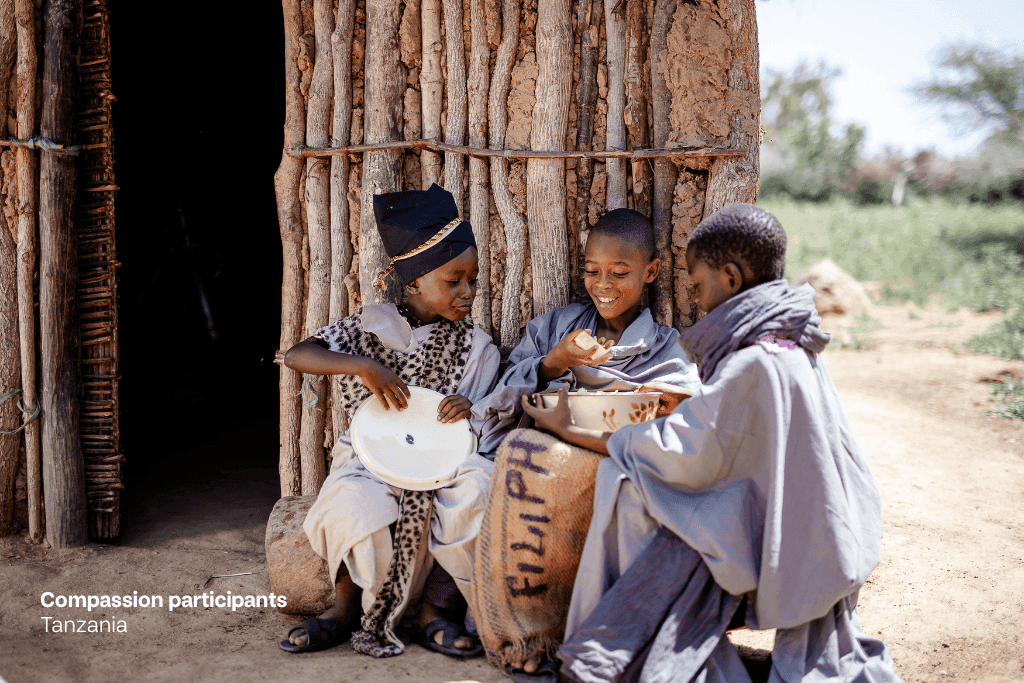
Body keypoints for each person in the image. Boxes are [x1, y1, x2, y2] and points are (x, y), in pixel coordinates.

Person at [523, 203, 902, 682]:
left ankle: (619, 649)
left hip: (796, 544)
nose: (697, 300)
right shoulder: (790, 343)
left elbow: (683, 454)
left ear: (731, 277)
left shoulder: (755, 363)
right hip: (825, 527)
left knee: (629, 485)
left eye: (698, 286)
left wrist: (569, 427)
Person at [278, 184, 500, 659]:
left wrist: (469, 409)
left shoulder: (477, 346)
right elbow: (298, 355)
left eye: (473, 280)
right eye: (454, 280)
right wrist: (362, 365)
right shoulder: (367, 328)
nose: (468, 292)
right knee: (352, 502)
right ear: (414, 282)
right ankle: (343, 610)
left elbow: (483, 417)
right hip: (371, 457)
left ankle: (433, 610)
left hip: (445, 461)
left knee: (478, 490)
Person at [473, 208, 700, 461]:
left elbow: (676, 440)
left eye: (619, 273)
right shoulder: (554, 328)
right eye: (592, 271)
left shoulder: (669, 353)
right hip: (543, 462)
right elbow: (501, 404)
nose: (602, 284)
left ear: (650, 272)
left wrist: (570, 431)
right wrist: (554, 363)